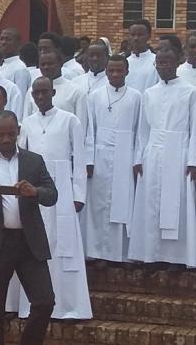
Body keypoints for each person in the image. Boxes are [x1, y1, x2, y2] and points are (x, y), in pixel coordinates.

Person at [0, 111, 58, 345]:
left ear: (18, 132)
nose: (6, 139)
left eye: (11, 134)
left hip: (29, 243)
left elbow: (52, 195)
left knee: (45, 301)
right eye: (1, 134)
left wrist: (34, 192)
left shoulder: (34, 161)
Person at [18, 77, 92, 320]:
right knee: (37, 244)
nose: (40, 97)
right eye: (36, 93)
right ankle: (35, 304)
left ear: (53, 92)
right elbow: (21, 159)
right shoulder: (27, 123)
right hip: (35, 188)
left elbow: (79, 160)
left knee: (64, 245)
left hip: (62, 188)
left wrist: (79, 194)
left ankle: (69, 306)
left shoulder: (70, 120)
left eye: (44, 92)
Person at [129, 47, 196, 268]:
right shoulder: (149, 93)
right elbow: (143, 130)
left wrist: (195, 161)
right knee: (150, 203)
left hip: (179, 152)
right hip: (153, 152)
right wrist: (138, 158)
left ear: (178, 62)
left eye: (167, 63)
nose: (162, 67)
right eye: (159, 63)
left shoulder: (192, 92)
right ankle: (151, 254)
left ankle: (176, 257)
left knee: (177, 205)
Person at [80, 54, 142, 263]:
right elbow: (90, 130)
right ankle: (98, 252)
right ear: (106, 72)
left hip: (125, 156)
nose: (115, 74)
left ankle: (121, 253)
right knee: (98, 205)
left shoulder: (135, 97)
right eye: (111, 70)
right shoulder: (95, 96)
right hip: (100, 155)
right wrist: (89, 160)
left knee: (123, 203)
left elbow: (139, 131)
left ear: (127, 72)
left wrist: (137, 159)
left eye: (119, 70)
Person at [23, 50, 85, 122]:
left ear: (60, 63)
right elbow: (26, 121)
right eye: (43, 64)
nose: (46, 67)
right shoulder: (33, 91)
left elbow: (81, 124)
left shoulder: (76, 91)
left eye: (50, 64)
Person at [124, 20, 159, 92]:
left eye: (140, 35)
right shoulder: (124, 62)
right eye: (133, 35)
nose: (136, 38)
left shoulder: (157, 61)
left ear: (149, 36)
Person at [0, 28, 32, 96]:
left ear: (19, 44)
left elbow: (20, 95)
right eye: (1, 39)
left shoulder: (20, 68)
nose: (3, 42)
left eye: (8, 39)